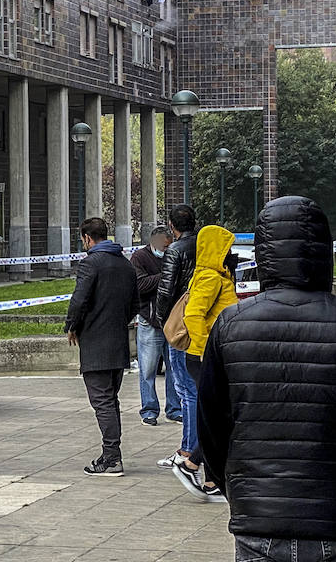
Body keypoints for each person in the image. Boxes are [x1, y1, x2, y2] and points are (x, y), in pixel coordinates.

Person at [197, 196, 336, 562]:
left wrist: (233, 486)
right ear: (323, 250)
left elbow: (212, 422)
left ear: (263, 252)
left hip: (259, 515)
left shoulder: (231, 325)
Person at [65, 217, 139, 477]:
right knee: (111, 400)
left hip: (96, 342)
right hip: (118, 341)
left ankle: (111, 458)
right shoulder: (125, 264)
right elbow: (135, 303)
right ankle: (111, 453)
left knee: (102, 402)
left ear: (87, 238)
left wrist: (72, 326)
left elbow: (79, 299)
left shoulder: (91, 263)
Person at [173, 224, 238, 502]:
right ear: (216, 249)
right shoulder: (210, 277)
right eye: (226, 248)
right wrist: (204, 349)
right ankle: (191, 463)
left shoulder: (215, 275)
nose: (231, 253)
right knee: (221, 417)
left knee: (217, 415)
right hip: (205, 357)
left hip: (211, 355)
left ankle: (211, 480)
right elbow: (193, 314)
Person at [155, 204, 200, 474]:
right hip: (202, 323)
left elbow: (165, 290)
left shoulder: (175, 250)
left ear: (171, 226)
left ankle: (188, 450)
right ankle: (194, 447)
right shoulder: (205, 247)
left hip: (181, 324)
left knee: (186, 390)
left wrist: (164, 323)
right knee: (196, 388)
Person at [130, 225, 181, 427]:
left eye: (169, 246)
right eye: (163, 246)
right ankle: (149, 410)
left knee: (174, 368)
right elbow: (140, 285)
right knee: (148, 368)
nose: (166, 249)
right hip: (149, 320)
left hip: (172, 320)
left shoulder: (174, 255)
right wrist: (166, 276)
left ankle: (174, 409)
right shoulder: (139, 258)